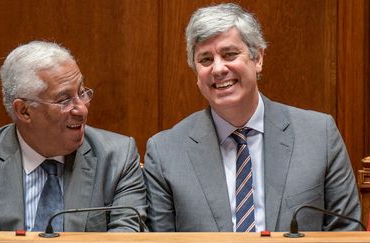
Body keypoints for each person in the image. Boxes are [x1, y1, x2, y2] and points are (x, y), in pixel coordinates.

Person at [143, 3, 361, 232]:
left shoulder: (319, 136)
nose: (218, 69)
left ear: (258, 59)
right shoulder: (165, 153)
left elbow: (347, 232)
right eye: (205, 60)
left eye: (230, 54)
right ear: (196, 73)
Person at [0, 41, 147, 232]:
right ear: (24, 111)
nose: (82, 110)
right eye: (64, 99)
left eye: (82, 92)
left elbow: (127, 236)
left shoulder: (118, 158)